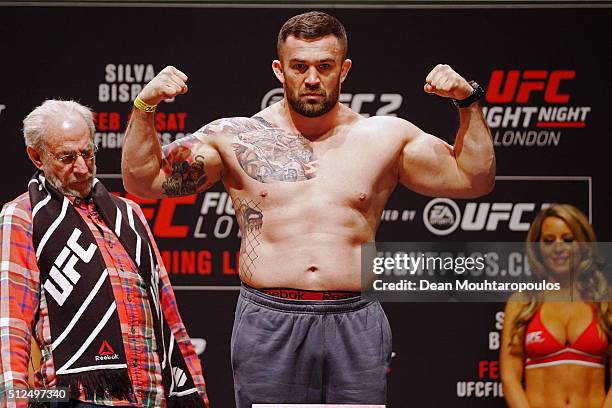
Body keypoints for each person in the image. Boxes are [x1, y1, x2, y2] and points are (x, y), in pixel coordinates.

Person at [121, 11, 495, 406]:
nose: (312, 78)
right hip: (269, 320)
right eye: (299, 66)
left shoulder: (384, 137)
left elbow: (473, 178)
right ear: (279, 70)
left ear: (344, 70)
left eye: (324, 66)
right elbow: (141, 180)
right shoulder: (235, 137)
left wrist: (466, 100)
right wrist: (145, 105)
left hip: (356, 319)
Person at [0, 100, 209, 407]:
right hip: (75, 398)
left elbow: (170, 319)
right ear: (37, 157)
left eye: (87, 153)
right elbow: (11, 326)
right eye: (67, 157)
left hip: (153, 396)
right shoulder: (22, 216)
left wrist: (198, 394)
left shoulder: (128, 214)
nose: (82, 167)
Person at [500, 204, 611, 408]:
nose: (558, 247)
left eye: (568, 239)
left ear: (584, 244)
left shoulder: (605, 301)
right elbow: (509, 377)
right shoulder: (522, 302)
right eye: (549, 241)